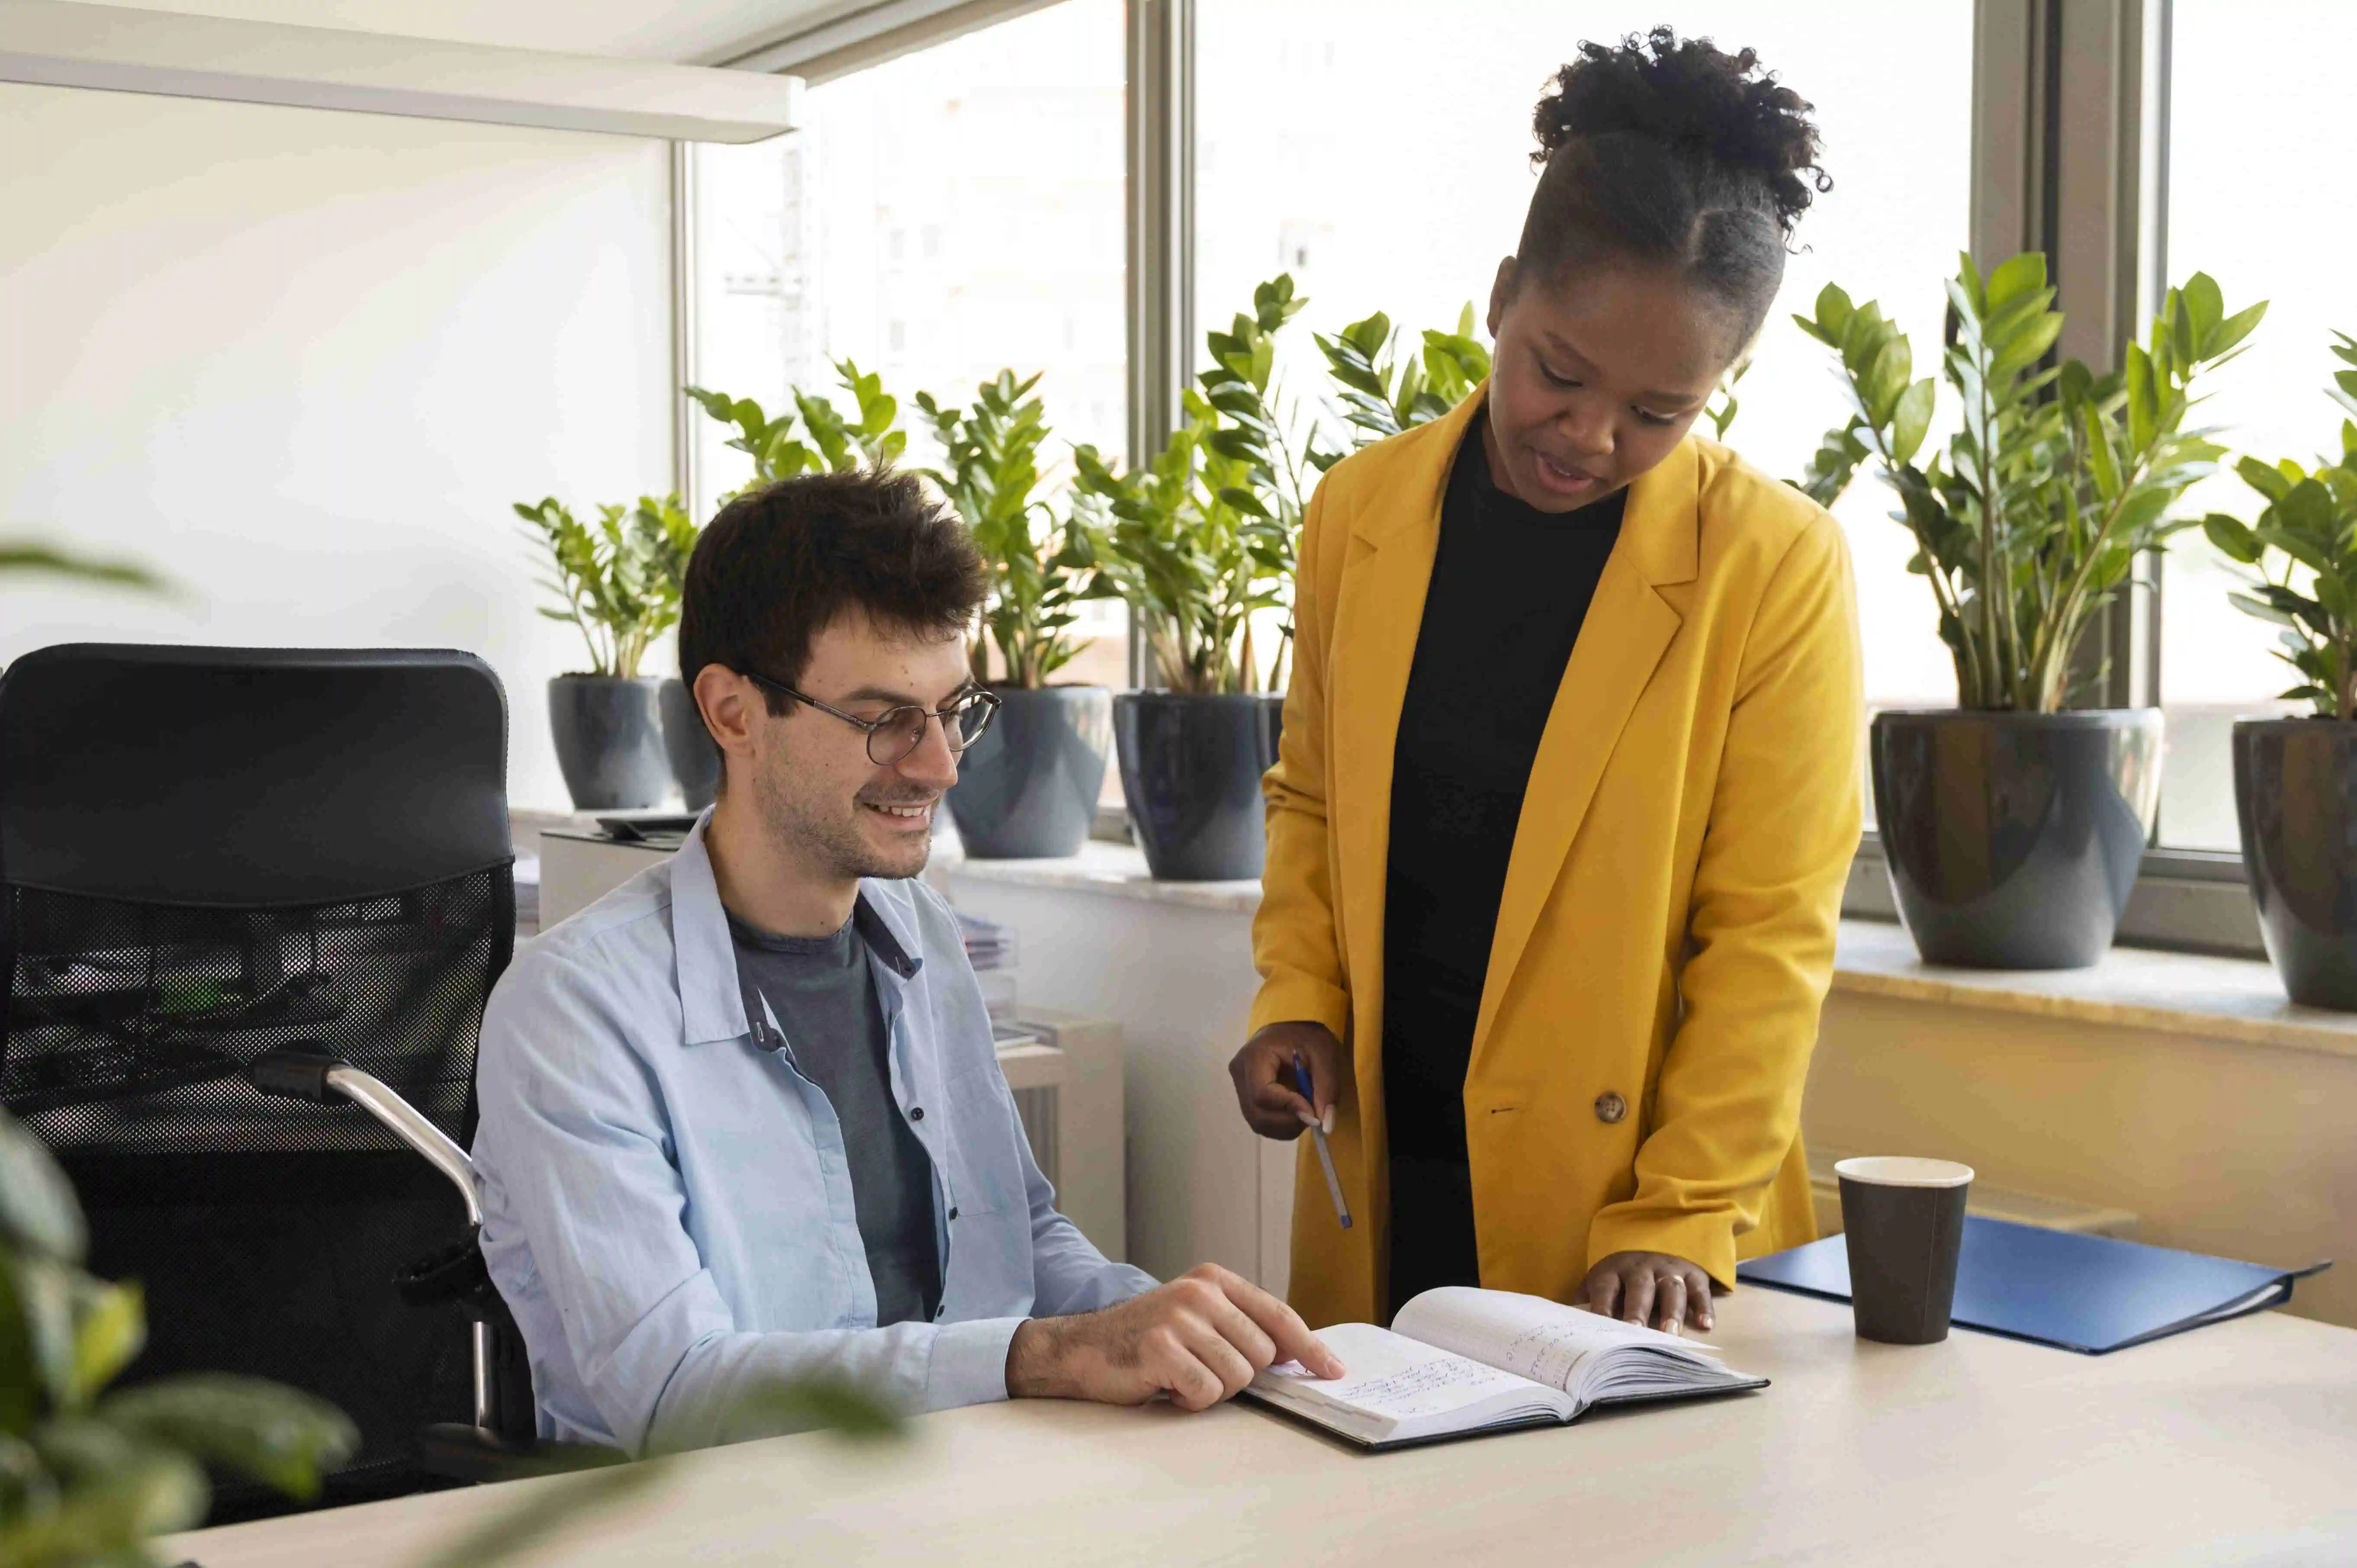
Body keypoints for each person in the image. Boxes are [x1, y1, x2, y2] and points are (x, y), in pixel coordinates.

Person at [476, 468, 1340, 1456]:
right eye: (885, 719)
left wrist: (1170, 1327)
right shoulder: (573, 1013)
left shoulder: (921, 933)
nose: (940, 766)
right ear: (732, 713)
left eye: (953, 711)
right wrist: (1041, 1357)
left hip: (965, 1488)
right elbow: (676, 1396)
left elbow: (1019, 1240)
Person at [1228, 28, 1863, 1338]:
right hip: (1388, 1174)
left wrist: (1686, 1208)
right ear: (1505, 293)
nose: (1590, 438)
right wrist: (1300, 1003)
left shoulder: (1776, 563)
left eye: (1659, 412)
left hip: (1632, 1230)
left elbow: (1770, 933)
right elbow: (1313, 803)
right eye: (1559, 375)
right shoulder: (1360, 510)